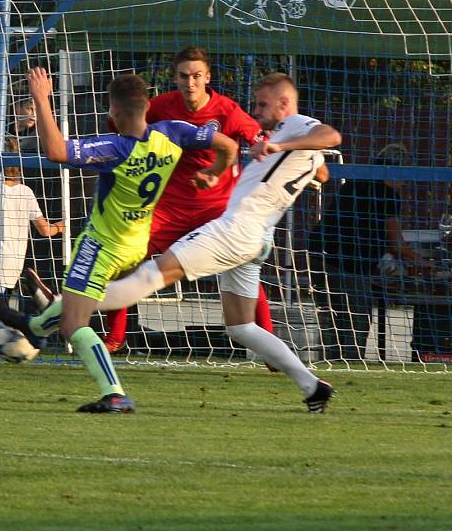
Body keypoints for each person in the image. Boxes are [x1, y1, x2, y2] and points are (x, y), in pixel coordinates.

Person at [88, 73, 342, 412]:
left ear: (284, 104)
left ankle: (64, 305)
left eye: (263, 104)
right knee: (240, 326)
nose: (256, 110)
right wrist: (289, 158)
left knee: (152, 274)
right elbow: (321, 169)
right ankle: (312, 386)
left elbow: (331, 135)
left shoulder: (297, 124)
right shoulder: (292, 138)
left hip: (235, 229)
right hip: (255, 236)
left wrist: (279, 146)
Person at [0, 66, 238, 413]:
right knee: (76, 303)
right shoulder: (173, 133)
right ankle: (35, 327)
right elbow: (228, 145)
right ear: (147, 106)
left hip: (100, 247)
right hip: (137, 246)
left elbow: (56, 151)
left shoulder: (115, 148)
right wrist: (214, 174)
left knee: (74, 324)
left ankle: (114, 392)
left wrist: (40, 97)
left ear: (113, 111)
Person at [103, 47, 273, 353]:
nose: (190, 83)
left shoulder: (227, 110)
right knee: (127, 259)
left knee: (244, 267)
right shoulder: (161, 106)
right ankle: (115, 337)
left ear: (207, 77)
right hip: (170, 207)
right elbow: (126, 124)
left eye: (196, 76)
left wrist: (263, 147)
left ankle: (268, 343)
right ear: (175, 77)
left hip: (217, 208)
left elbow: (258, 138)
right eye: (183, 76)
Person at [309, 142, 431, 361]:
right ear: (397, 170)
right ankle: (350, 361)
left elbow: (374, 233)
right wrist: (424, 263)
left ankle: (329, 361)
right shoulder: (387, 194)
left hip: (320, 253)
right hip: (346, 261)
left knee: (331, 316)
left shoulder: (357, 183)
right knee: (356, 319)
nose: (404, 183)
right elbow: (396, 244)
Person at [0, 137, 64, 330]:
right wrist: (62, 226)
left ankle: (30, 327)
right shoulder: (26, 192)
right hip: (15, 261)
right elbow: (45, 230)